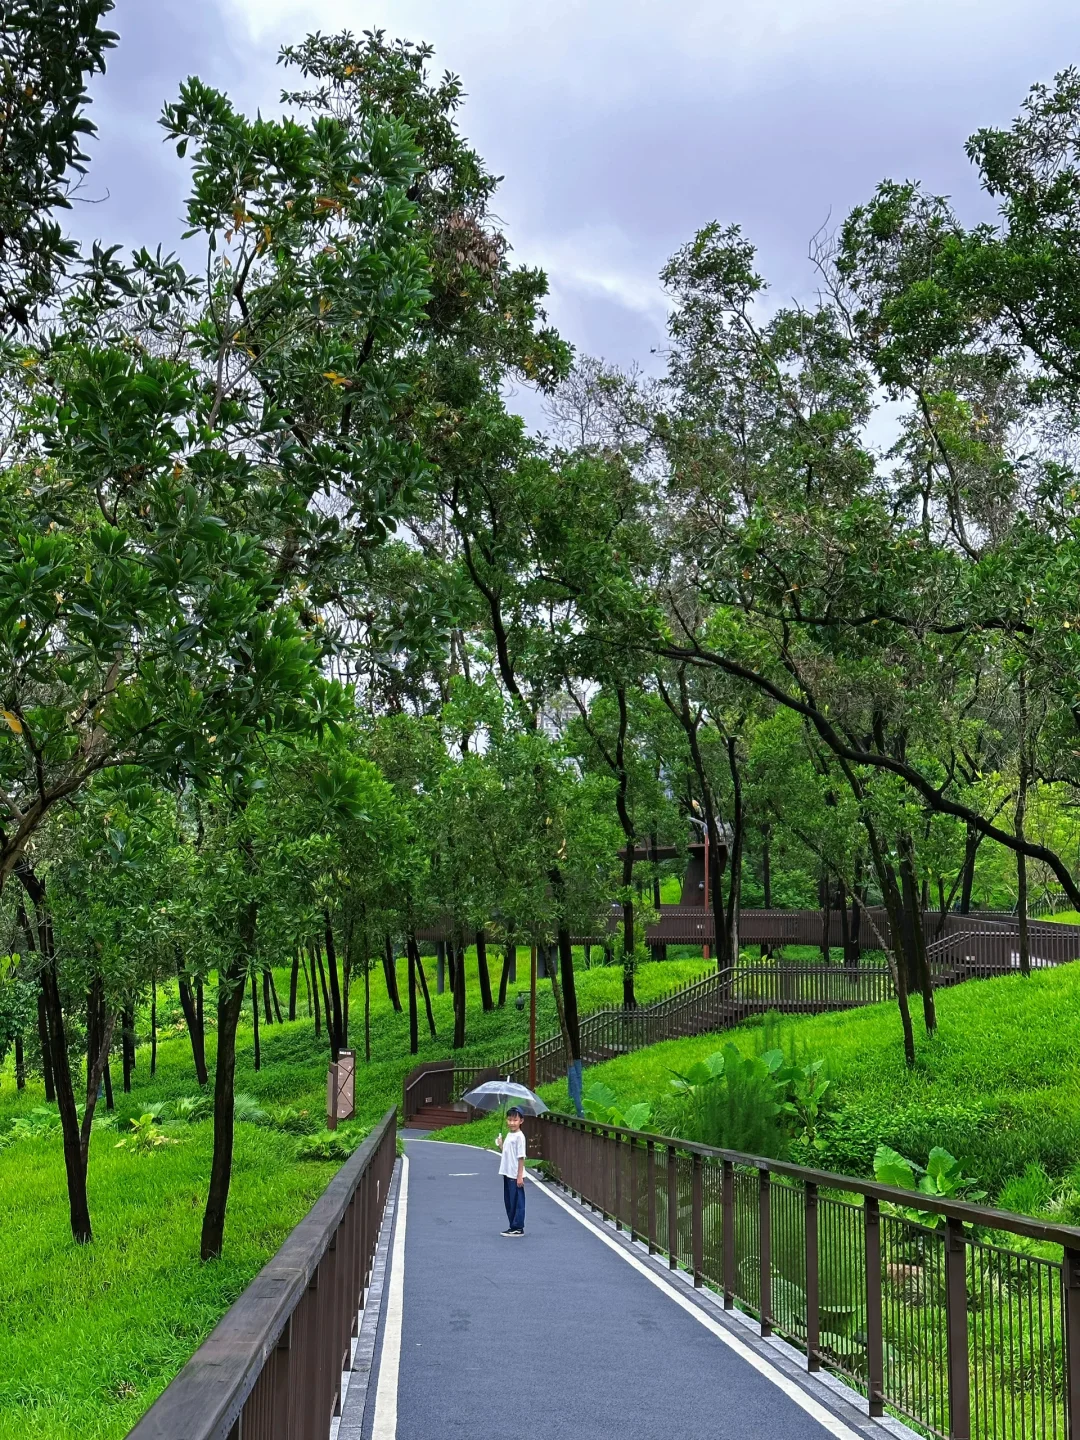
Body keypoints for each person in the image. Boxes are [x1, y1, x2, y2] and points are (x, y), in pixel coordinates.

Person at [495, 1107, 527, 1236]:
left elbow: (521, 1157)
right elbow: (507, 1153)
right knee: (509, 1200)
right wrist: (501, 1145)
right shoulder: (510, 1134)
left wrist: (519, 1176)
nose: (512, 1122)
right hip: (507, 1172)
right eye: (509, 1119)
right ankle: (512, 1225)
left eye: (515, 1120)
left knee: (517, 1201)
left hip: (514, 1173)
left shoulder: (520, 1136)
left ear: (521, 1121)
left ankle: (518, 1227)